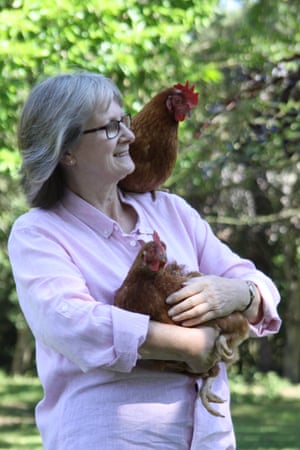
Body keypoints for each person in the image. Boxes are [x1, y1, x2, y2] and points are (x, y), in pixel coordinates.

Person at [8, 71, 281, 450]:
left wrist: (239, 294)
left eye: (125, 121)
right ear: (65, 149)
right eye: (111, 128)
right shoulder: (40, 232)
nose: (130, 135)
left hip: (211, 438)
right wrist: (188, 345)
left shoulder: (170, 211)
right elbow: (69, 320)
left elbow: (258, 285)